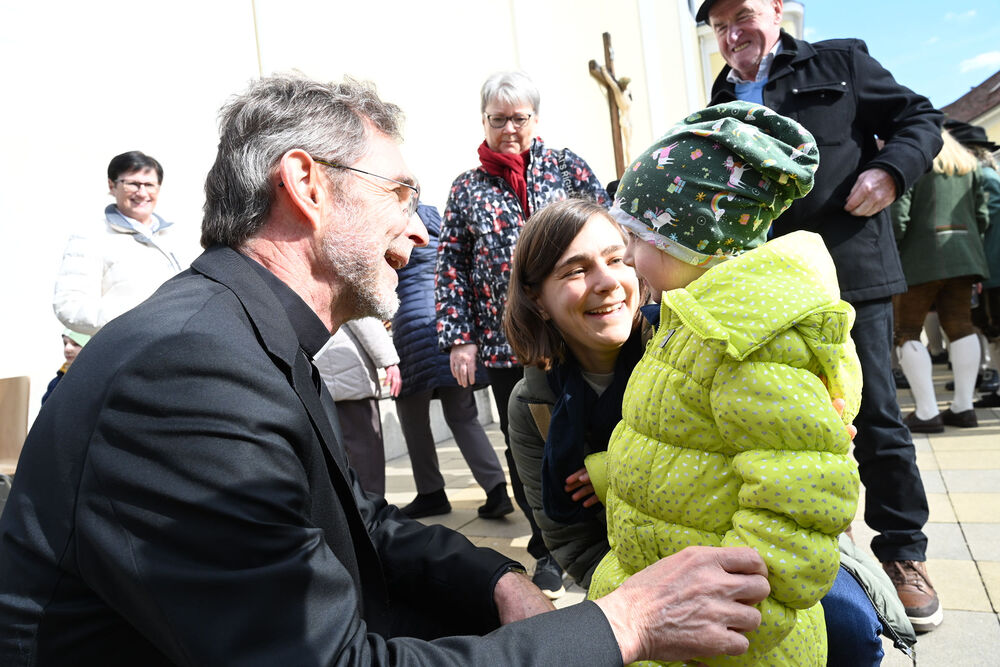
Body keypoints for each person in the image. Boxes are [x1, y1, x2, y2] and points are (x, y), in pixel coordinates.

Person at [0, 74, 773, 666]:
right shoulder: (191, 374)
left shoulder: (244, 336)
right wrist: (622, 623)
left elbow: (356, 517)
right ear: (306, 186)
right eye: (401, 194)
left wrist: (494, 578)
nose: (420, 232)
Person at [505, 197, 915, 665]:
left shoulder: (707, 342)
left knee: (850, 628)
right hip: (633, 577)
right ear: (537, 299)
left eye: (617, 258)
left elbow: (792, 480)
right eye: (576, 270)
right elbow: (569, 540)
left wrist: (820, 437)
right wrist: (645, 604)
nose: (607, 282)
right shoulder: (534, 405)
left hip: (757, 553)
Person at [700, 0, 945, 632]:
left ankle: (903, 552)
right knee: (787, 421)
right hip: (766, 287)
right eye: (720, 25)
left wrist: (890, 171)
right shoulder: (720, 96)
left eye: (743, 14)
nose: (732, 34)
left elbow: (921, 118)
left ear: (776, 9)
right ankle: (826, 548)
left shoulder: (841, 62)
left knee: (875, 415)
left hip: (849, 273)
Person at [587, 103, 861, 665]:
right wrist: (614, 472)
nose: (630, 258)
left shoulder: (747, 344)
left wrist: (739, 617)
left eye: (640, 238)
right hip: (667, 599)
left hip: (719, 639)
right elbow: (689, 437)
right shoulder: (695, 321)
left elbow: (794, 507)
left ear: (697, 238)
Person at [435, 70, 609, 597]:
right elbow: (452, 264)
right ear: (483, 121)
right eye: (498, 118)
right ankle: (546, 545)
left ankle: (600, 528)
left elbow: (608, 227)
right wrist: (460, 337)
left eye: (519, 118)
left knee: (588, 426)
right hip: (506, 339)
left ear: (535, 119)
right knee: (524, 439)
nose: (509, 128)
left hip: (575, 328)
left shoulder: (566, 167)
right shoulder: (466, 187)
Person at [393, 203, 513, 519]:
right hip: (451, 325)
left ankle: (431, 493)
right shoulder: (443, 225)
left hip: (413, 329)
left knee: (413, 416)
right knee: (463, 415)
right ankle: (496, 489)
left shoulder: (395, 224)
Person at [892, 129, 990, 432]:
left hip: (919, 257)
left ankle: (927, 412)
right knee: (961, 327)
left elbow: (898, 217)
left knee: (907, 331)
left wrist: (892, 249)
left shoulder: (914, 158)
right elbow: (983, 215)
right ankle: (964, 408)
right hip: (964, 255)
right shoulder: (968, 163)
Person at [52, 151, 185, 335]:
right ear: (112, 185)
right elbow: (70, 307)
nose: (142, 193)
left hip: (176, 344)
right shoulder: (91, 237)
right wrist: (138, 319)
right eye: (133, 184)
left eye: (149, 185)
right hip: (128, 345)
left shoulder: (176, 237)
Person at [315, 316, 401, 496]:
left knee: (338, 461)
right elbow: (360, 314)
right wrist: (389, 361)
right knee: (366, 458)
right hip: (350, 377)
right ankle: (372, 510)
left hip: (319, 383)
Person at [947, 118, 1000, 408]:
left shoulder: (983, 178)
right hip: (990, 264)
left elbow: (983, 223)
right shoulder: (986, 175)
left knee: (994, 327)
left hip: (993, 265)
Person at [40, 328, 91, 405]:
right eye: (65, 343)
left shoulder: (99, 382)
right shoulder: (56, 383)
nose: (67, 349)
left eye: (76, 343)